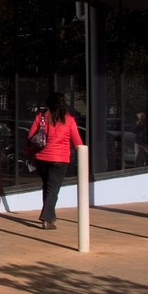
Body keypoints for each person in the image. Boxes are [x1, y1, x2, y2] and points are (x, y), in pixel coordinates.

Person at [28, 92, 84, 230]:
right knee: (53, 189)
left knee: (47, 187)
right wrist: (83, 158)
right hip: (60, 159)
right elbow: (77, 142)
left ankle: (50, 217)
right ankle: (47, 219)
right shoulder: (69, 120)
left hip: (41, 157)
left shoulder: (41, 117)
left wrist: (29, 153)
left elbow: (30, 137)